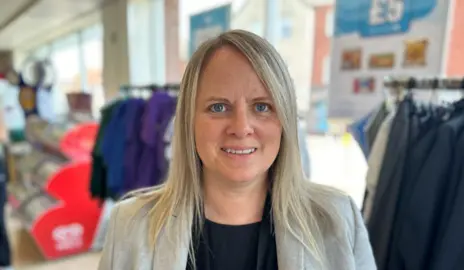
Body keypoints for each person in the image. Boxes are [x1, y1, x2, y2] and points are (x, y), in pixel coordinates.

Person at [98, 30, 376, 270]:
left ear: (285, 121)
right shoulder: (130, 225)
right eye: (218, 107)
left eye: (262, 107)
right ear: (188, 121)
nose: (241, 128)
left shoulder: (338, 220)